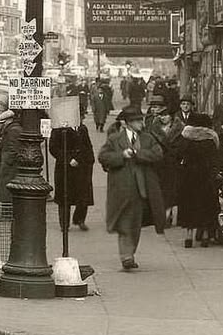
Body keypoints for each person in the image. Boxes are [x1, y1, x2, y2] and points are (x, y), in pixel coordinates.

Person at [98, 106, 165, 271]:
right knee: (124, 222)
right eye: (136, 121)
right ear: (127, 123)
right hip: (121, 188)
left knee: (135, 222)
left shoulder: (148, 138)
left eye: (140, 120)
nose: (140, 123)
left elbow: (158, 154)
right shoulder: (115, 139)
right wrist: (122, 155)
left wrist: (138, 153)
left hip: (142, 188)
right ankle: (126, 256)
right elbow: (103, 157)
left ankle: (130, 253)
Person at [177, 114, 220, 248]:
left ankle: (188, 237)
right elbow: (214, 161)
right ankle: (206, 236)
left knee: (189, 206)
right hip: (205, 178)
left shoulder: (186, 139)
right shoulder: (210, 140)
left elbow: (179, 155)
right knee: (206, 206)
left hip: (189, 177)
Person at [49, 117, 95, 231]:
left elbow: (87, 145)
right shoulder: (59, 129)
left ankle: (80, 220)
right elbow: (53, 148)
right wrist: (68, 159)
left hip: (82, 166)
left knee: (83, 195)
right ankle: (64, 224)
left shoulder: (82, 128)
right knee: (65, 196)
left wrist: (90, 160)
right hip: (65, 168)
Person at [149, 106, 184, 224]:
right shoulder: (154, 129)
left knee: (171, 190)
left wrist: (175, 156)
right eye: (161, 115)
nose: (163, 118)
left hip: (174, 164)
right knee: (161, 190)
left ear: (171, 116)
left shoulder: (179, 129)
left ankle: (169, 216)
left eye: (166, 115)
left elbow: (181, 147)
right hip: (159, 165)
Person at [0, 110, 23, 206]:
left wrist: (7, 161)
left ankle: (6, 213)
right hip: (9, 164)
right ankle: (6, 211)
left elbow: (13, 149)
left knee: (7, 189)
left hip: (10, 166)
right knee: (5, 188)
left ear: (8, 120)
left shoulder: (13, 130)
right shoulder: (12, 129)